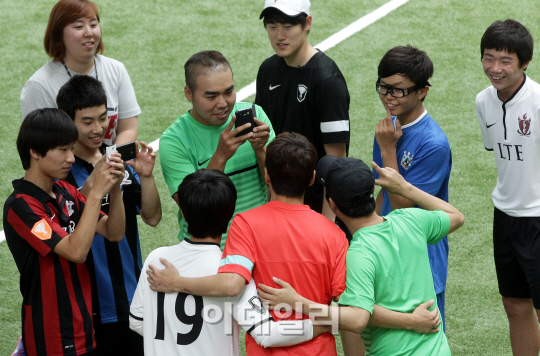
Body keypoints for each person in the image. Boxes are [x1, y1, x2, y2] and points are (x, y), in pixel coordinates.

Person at [147, 133, 439, 356]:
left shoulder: (244, 224)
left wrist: (177, 282)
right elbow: (350, 314)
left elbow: (232, 285)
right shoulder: (334, 235)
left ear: (266, 175)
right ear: (312, 179)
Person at [258, 157, 465, 355]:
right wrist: (404, 187)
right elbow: (456, 217)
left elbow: (357, 319)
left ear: (332, 205)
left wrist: (297, 302)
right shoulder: (410, 220)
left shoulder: (358, 254)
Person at [130, 169, 327, 355]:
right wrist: (326, 323)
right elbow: (268, 333)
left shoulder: (156, 259)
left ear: (183, 212)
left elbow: (137, 321)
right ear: (230, 214)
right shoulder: (232, 272)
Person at [3, 108, 125, 356]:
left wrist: (114, 189)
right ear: (35, 152)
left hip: (84, 327)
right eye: (63, 150)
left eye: (71, 148)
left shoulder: (65, 190)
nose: (70, 158)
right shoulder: (21, 205)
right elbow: (76, 251)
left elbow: (114, 232)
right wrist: (96, 194)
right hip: (51, 336)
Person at [55, 75, 162, 355]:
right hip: (88, 304)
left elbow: (152, 217)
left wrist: (146, 177)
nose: (98, 128)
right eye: (87, 121)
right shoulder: (62, 173)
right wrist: (89, 187)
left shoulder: (117, 159)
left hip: (132, 296)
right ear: (68, 122)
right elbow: (63, 225)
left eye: (103, 118)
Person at [371, 45, 452, 329]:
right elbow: (382, 192)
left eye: (398, 90)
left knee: (426, 337)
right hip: (390, 253)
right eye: (383, 87)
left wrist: (388, 149)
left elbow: (407, 210)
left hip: (423, 260)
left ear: (422, 90)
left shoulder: (433, 144)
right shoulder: (388, 128)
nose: (388, 97)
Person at [160, 50, 273, 248]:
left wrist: (261, 150)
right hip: (209, 252)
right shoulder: (174, 140)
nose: (222, 104)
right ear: (189, 94)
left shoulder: (256, 116)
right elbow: (191, 210)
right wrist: (220, 156)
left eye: (229, 92)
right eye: (211, 96)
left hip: (260, 243)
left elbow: (279, 187)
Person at [475, 19, 540, 356]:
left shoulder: (539, 103)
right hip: (505, 216)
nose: (495, 68)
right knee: (515, 304)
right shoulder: (483, 101)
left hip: (538, 217)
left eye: (505, 61)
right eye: (489, 58)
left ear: (524, 62)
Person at [255, 0, 350, 224]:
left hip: (314, 209)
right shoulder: (267, 70)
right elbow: (265, 139)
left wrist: (327, 225)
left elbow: (336, 161)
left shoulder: (327, 80)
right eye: (272, 26)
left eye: (288, 27)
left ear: (307, 23)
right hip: (276, 204)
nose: (279, 36)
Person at [20, 0, 140, 146]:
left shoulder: (116, 69)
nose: (89, 33)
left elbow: (128, 127)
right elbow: (43, 148)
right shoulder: (39, 86)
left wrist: (111, 161)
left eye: (93, 24)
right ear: (59, 34)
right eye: (79, 26)